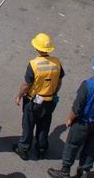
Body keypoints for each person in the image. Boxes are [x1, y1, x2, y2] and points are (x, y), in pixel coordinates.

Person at [47, 57, 94, 178]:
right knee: (91, 147)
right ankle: (84, 172)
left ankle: (65, 171)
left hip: (83, 122)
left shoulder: (88, 85)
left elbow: (77, 107)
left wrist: (70, 119)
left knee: (72, 145)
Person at [14, 32, 64, 160]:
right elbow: (58, 81)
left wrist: (19, 95)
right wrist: (54, 93)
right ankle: (42, 149)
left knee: (28, 125)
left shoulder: (34, 64)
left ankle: (24, 149)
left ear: (37, 48)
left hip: (34, 102)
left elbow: (26, 84)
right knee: (44, 126)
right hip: (49, 100)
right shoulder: (57, 63)